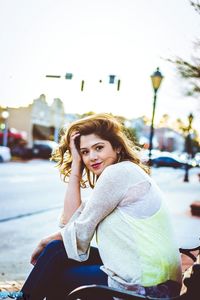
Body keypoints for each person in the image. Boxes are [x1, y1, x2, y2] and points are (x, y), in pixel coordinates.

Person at [16, 113, 182, 300]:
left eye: (99, 148)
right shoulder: (121, 176)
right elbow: (71, 224)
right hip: (154, 278)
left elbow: (78, 233)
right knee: (57, 250)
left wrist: (43, 242)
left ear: (117, 147)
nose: (92, 157)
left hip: (147, 285)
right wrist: (76, 164)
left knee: (56, 270)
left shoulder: (118, 173)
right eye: (85, 152)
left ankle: (25, 298)